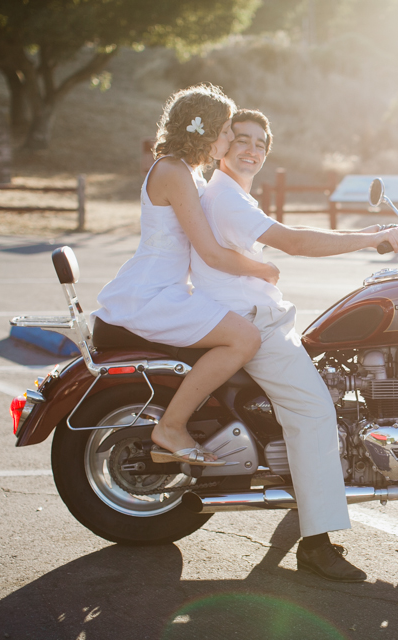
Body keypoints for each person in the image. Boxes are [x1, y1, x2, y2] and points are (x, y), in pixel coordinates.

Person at [191, 109, 398, 581]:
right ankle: (316, 544)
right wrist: (370, 243)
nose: (251, 149)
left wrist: (371, 234)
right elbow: (295, 242)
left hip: (256, 314)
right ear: (223, 145)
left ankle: (308, 490)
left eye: (260, 143)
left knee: (323, 385)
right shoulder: (227, 197)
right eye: (242, 140)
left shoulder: (230, 193)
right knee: (314, 414)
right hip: (254, 321)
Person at [94, 85, 278, 466]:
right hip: (150, 295)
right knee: (244, 338)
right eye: (226, 130)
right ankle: (171, 426)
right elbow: (210, 252)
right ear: (204, 129)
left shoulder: (185, 172)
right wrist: (264, 269)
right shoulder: (173, 171)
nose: (229, 139)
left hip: (168, 289)